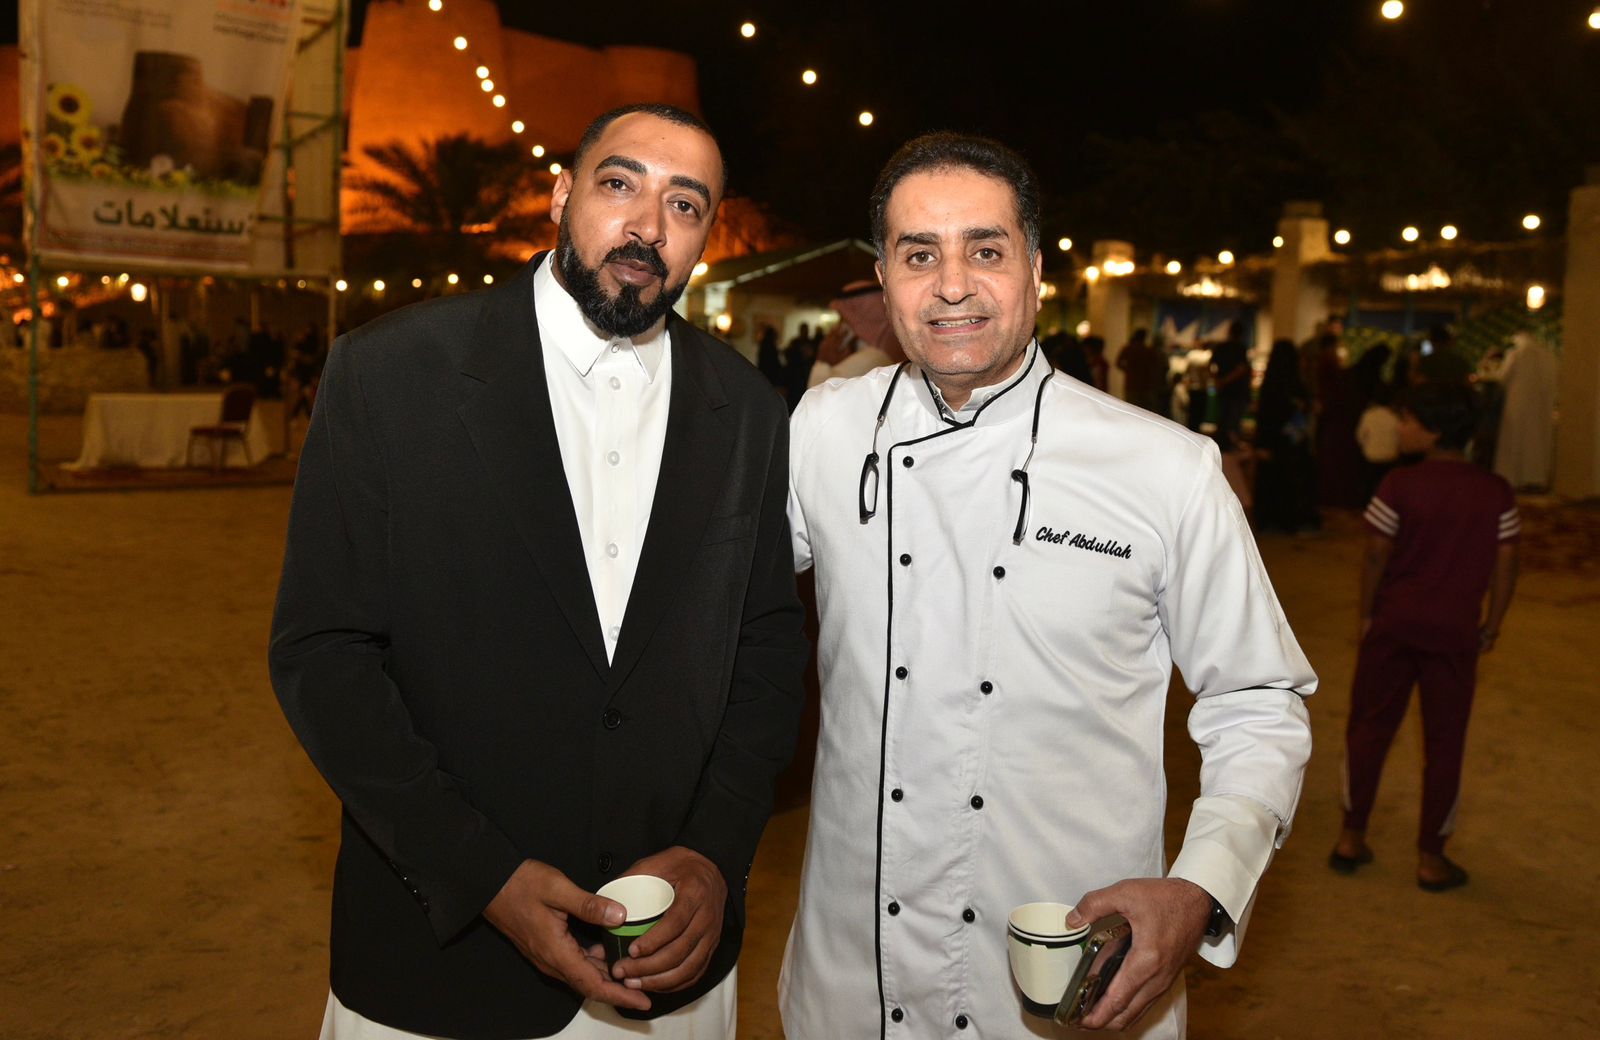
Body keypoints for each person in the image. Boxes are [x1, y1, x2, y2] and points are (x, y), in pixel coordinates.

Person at [269, 103, 808, 1040]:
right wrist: (483, 876)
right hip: (440, 964)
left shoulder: (748, 410)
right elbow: (323, 654)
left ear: (706, 237)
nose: (648, 225)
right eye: (620, 183)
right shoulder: (392, 373)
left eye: (685, 205)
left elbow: (764, 650)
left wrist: (713, 853)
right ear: (561, 195)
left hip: (667, 960)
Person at [780, 132, 1315, 1039]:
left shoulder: (1164, 468)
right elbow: (701, 603)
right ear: (884, 278)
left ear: (1034, 271)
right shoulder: (823, 432)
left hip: (1074, 977)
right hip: (848, 985)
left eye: (985, 251)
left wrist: (1200, 886)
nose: (952, 286)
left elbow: (1258, 701)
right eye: (920, 255)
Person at [1330, 382, 1520, 891]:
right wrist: (1492, 624)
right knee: (1445, 741)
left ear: (1434, 431)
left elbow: (1376, 553)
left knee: (1369, 727)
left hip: (1394, 624)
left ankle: (1351, 836)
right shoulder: (1495, 491)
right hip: (1455, 632)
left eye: (1409, 420)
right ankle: (1431, 859)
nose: (1401, 427)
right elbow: (1507, 562)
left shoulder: (1398, 484)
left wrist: (1366, 615)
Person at [1253, 339, 1319, 534]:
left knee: (1271, 482)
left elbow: (1264, 417)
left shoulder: (1271, 385)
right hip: (1291, 445)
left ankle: (1270, 520)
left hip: (1273, 443)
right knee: (1289, 483)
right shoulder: (1295, 385)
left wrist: (1262, 444)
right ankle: (1289, 520)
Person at [1492, 331, 1559, 491]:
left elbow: (1502, 377)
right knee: (1537, 442)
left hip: (1517, 406)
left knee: (1515, 442)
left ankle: (1514, 479)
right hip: (1541, 408)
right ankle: (1535, 478)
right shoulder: (1548, 355)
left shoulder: (1516, 354)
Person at [1208, 321, 1251, 450]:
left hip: (1223, 389)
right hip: (1237, 390)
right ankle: (1230, 450)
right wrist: (1225, 380)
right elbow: (1241, 369)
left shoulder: (1221, 347)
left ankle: (1219, 448)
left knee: (1222, 420)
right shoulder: (1241, 348)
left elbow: (1210, 365)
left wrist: (1218, 380)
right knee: (1233, 423)